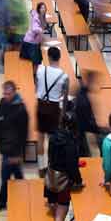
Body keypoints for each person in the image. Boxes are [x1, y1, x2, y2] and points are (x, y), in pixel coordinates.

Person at [44, 111, 83, 221]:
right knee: (61, 213)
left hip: (51, 176)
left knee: (54, 209)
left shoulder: (54, 136)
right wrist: (78, 181)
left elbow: (50, 156)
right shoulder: (71, 142)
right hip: (63, 182)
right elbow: (72, 166)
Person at [0, 80, 29, 212]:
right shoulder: (2, 103)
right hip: (4, 146)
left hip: (13, 150)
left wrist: (19, 154)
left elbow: (23, 134)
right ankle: (24, 197)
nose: (6, 96)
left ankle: (2, 201)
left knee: (5, 176)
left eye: (8, 94)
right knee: (16, 175)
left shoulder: (21, 110)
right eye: (4, 93)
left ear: (14, 92)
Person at [36, 46, 68, 175]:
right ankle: (51, 165)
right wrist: (63, 114)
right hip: (54, 108)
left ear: (48, 57)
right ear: (59, 58)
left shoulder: (40, 69)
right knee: (52, 139)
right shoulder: (64, 76)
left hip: (41, 104)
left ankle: (40, 167)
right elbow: (64, 97)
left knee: (40, 136)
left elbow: (37, 86)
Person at [20, 2, 47, 71]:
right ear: (38, 9)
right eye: (42, 8)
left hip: (35, 42)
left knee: (37, 61)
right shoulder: (36, 17)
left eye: (44, 8)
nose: (43, 9)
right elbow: (35, 29)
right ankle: (33, 75)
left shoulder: (42, 16)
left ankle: (34, 74)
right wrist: (41, 31)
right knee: (35, 61)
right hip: (30, 43)